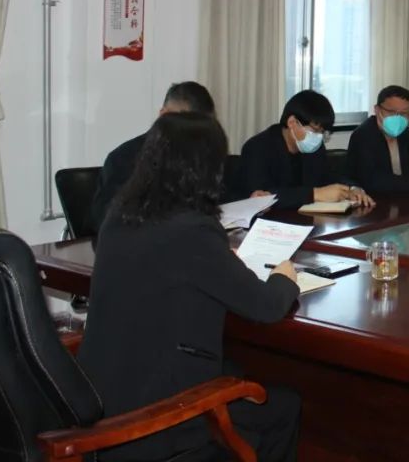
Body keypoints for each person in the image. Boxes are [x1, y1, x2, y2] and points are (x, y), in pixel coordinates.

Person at [78, 112, 300, 462]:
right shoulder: (192, 229)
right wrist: (284, 276)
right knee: (284, 407)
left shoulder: (120, 215)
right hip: (157, 420)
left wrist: (220, 261)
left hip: (104, 401)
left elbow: (170, 270)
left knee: (237, 371)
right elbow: (267, 306)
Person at [89, 81, 216, 239]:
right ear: (163, 116)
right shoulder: (123, 158)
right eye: (185, 125)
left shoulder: (202, 155)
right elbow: (106, 219)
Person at [238, 90, 373, 210]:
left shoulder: (315, 146)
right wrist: (315, 194)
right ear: (292, 122)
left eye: (323, 132)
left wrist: (353, 188)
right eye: (315, 130)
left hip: (307, 221)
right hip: (269, 225)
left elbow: (330, 177)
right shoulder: (257, 148)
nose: (319, 137)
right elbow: (260, 197)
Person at [347, 85, 409, 194]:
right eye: (391, 112)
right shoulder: (363, 135)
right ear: (377, 110)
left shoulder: (407, 134)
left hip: (404, 198)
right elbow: (371, 181)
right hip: (374, 200)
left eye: (404, 113)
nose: (398, 117)